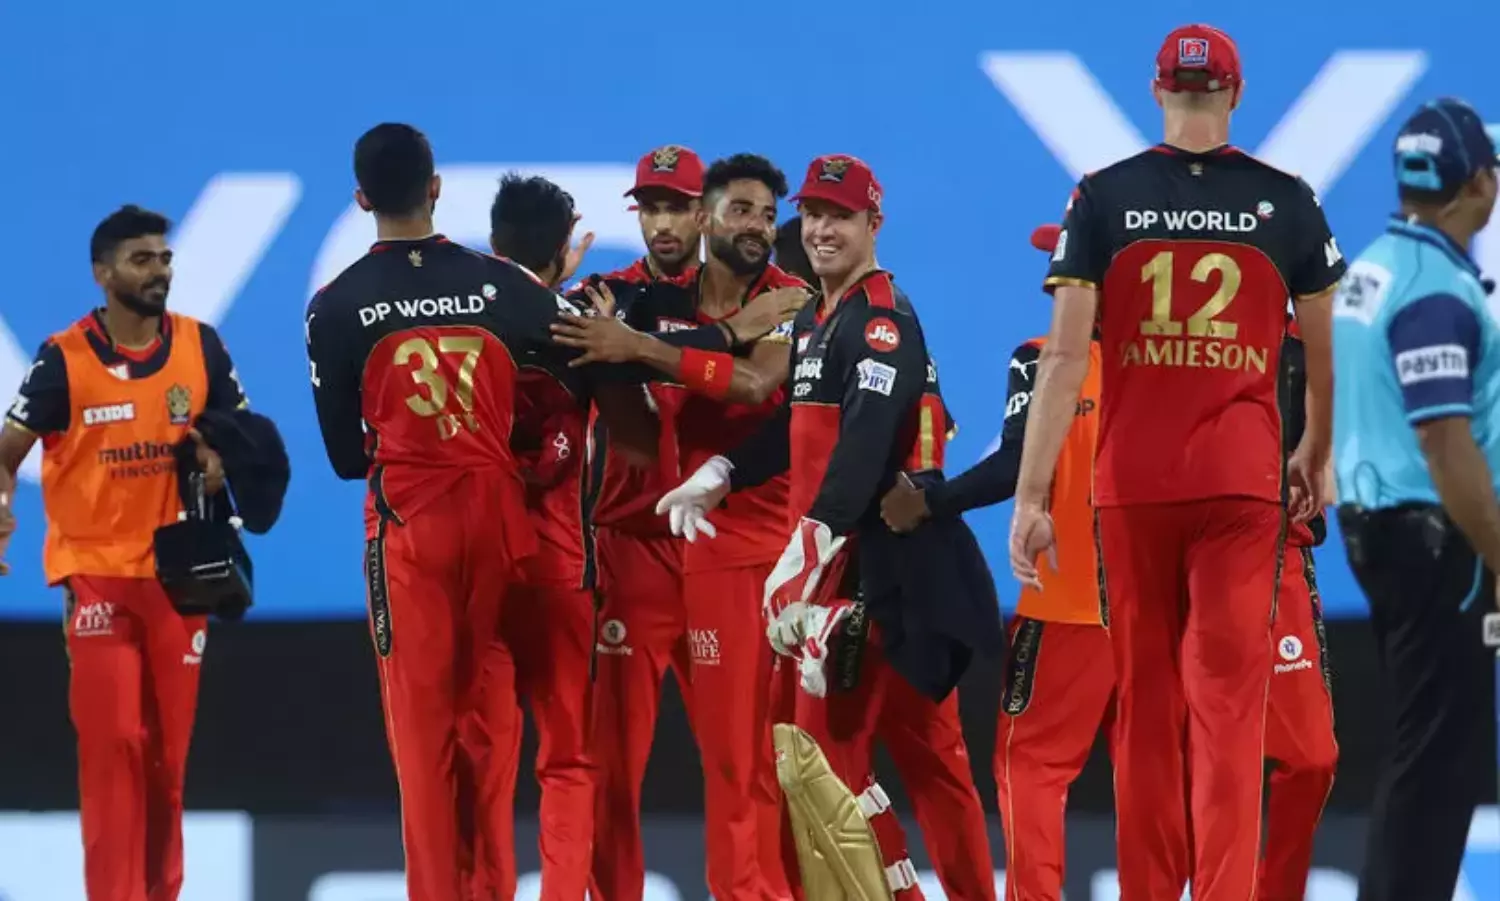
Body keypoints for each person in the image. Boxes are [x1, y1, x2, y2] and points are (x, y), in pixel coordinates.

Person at [886, 223, 1338, 901]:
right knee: (1159, 777)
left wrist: (930, 503)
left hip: (1069, 608)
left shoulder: (1040, 357)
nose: (1059, 283)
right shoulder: (1187, 362)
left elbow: (1015, 462)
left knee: (1034, 767)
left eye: (1071, 269)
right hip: (1158, 608)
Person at [1010, 25, 1345, 900]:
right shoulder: (1288, 201)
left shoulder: (1101, 197)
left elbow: (1063, 358)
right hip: (1241, 484)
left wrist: (1031, 496)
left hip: (1134, 487)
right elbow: (1321, 345)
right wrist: (1316, 450)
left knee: (1148, 712)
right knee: (1229, 713)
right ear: (1237, 94)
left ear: (1157, 91)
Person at [304, 123, 647, 901]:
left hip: (412, 528)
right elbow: (585, 357)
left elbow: (345, 457)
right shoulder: (501, 286)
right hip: (503, 526)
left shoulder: (336, 304)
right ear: (435, 189)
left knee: (429, 744)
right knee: (502, 732)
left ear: (360, 199)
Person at [656, 154, 1003, 900]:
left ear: (874, 223)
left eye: (839, 217)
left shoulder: (880, 321)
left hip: (880, 581)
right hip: (849, 574)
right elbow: (801, 426)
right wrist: (723, 473)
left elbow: (863, 448)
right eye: (812, 215)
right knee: (879, 762)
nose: (820, 230)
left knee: (835, 763)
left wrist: (803, 561)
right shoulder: (819, 317)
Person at [0, 204, 253, 901]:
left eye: (164, 258)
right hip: (96, 577)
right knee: (113, 746)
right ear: (103, 273)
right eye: (142, 260)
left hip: (180, 580)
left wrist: (219, 460)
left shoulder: (201, 346)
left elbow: (242, 438)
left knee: (167, 763)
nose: (159, 271)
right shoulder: (64, 357)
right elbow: (7, 453)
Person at [1331, 98, 1500, 901]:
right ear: (1477, 184)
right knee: (1440, 757)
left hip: (1381, 528)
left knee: (1421, 747)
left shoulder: (1374, 266)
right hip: (1436, 539)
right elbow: (1442, 439)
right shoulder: (1437, 291)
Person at [473, 173, 608, 901]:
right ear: (563, 251)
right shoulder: (583, 325)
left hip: (478, 566)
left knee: (484, 756)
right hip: (558, 568)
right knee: (569, 758)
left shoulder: (456, 325)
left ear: (493, 243)